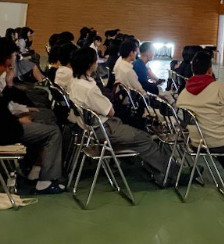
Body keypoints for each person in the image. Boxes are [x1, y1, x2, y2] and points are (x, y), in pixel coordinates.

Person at [0, 37, 65, 194]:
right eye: (12, 56)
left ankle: (35, 169)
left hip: (3, 126)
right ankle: (46, 180)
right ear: (4, 58)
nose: (14, 59)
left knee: (46, 117)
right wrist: (20, 119)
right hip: (4, 132)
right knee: (53, 132)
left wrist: (12, 89)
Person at [68, 47, 174, 185]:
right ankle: (172, 174)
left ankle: (159, 172)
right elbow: (110, 112)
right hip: (104, 129)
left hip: (89, 129)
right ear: (90, 64)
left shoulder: (74, 83)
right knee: (145, 138)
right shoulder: (89, 89)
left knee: (140, 137)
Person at [175, 51, 224, 186]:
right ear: (210, 70)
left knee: (222, 139)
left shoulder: (183, 92)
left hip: (195, 143)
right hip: (220, 141)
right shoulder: (218, 87)